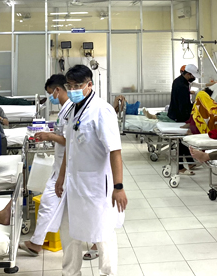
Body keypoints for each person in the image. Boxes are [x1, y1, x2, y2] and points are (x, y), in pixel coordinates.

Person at [49, 64, 127, 276]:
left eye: (77, 86)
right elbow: (70, 145)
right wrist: (61, 176)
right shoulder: (73, 109)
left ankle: (108, 273)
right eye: (70, 86)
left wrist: (119, 187)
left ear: (89, 85)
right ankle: (70, 272)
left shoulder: (102, 110)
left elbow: (115, 150)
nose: (73, 89)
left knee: (102, 233)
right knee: (69, 232)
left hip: (95, 185)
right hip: (72, 184)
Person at [20, 75, 102, 260]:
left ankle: (98, 243)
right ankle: (37, 243)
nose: (50, 97)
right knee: (52, 204)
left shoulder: (73, 109)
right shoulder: (66, 110)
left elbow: (69, 140)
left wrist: (49, 137)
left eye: (50, 93)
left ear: (57, 90)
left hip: (73, 168)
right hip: (62, 166)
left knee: (76, 206)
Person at [168, 64, 199, 174]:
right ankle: (180, 167)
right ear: (189, 74)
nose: (194, 78)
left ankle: (190, 162)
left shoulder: (180, 81)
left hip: (176, 113)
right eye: (193, 76)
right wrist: (189, 119)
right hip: (179, 116)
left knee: (183, 140)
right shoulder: (182, 86)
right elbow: (183, 105)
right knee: (182, 140)